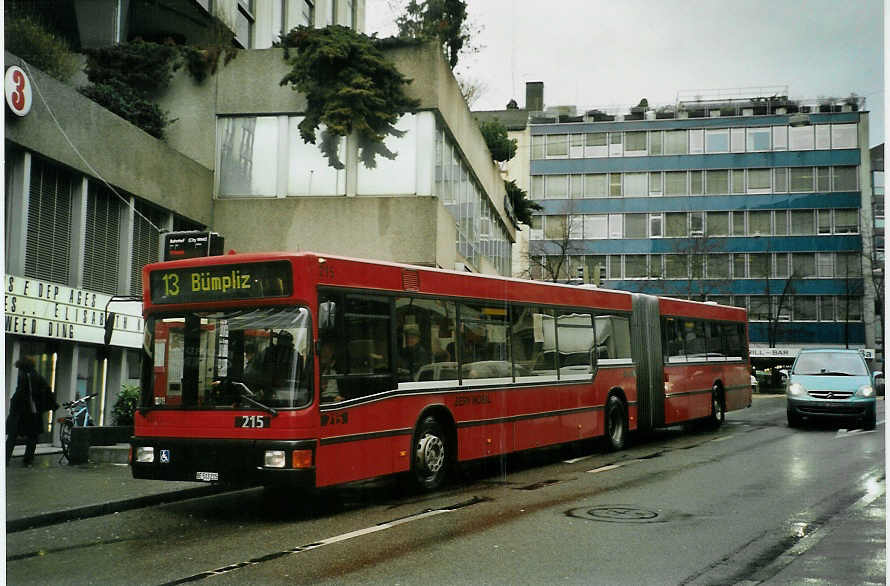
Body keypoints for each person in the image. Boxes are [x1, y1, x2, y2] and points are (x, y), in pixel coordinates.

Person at [6, 355, 58, 467]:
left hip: (22, 413)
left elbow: (19, 396)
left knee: (12, 437)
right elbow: (47, 392)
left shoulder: (25, 378)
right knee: (32, 437)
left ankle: (6, 459)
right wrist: (49, 406)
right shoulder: (37, 377)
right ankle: (27, 461)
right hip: (33, 413)